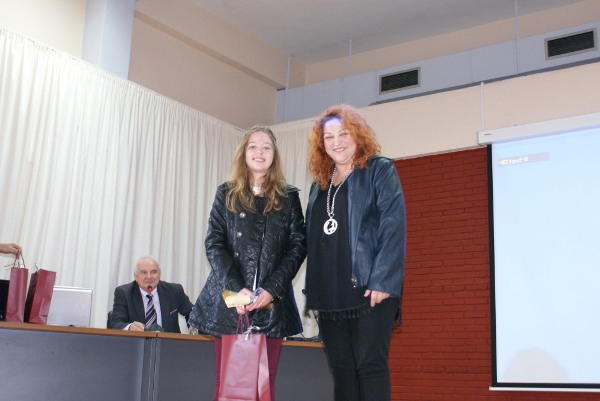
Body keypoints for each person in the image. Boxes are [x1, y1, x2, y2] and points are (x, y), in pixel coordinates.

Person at [189, 126, 306, 401]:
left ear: (274, 154)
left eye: (266, 147)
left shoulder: (289, 197)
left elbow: (298, 246)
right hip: (231, 303)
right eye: (253, 146)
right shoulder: (226, 193)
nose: (259, 152)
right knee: (229, 383)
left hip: (271, 304)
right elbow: (214, 243)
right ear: (244, 153)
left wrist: (272, 289)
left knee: (264, 383)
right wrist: (235, 290)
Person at [304, 104, 406, 401]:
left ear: (358, 135)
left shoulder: (379, 169)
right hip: (329, 295)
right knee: (342, 370)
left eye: (343, 134)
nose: (336, 142)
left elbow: (393, 225)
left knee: (369, 366)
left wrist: (383, 279)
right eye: (329, 137)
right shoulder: (319, 184)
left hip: (370, 289)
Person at [110, 256, 193, 333]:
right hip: (137, 342)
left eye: (153, 272)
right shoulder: (124, 293)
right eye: (144, 272)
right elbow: (116, 323)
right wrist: (130, 327)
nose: (149, 276)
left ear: (159, 275)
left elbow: (193, 314)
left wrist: (194, 332)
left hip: (169, 342)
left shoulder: (174, 291)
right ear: (135, 276)